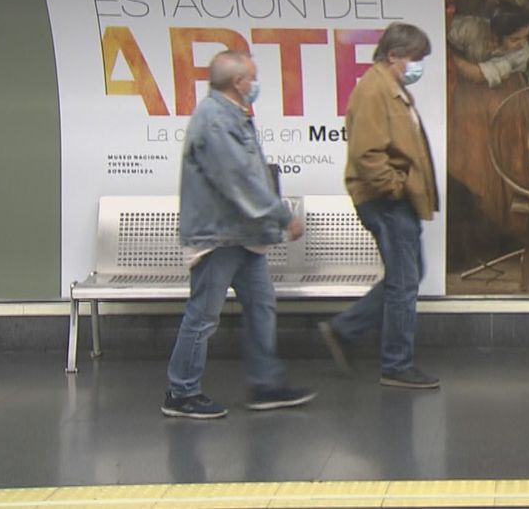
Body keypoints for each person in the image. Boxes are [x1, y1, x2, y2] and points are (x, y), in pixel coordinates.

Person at [163, 50, 313, 419]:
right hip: (220, 237)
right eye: (253, 78)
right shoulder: (216, 120)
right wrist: (283, 215)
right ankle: (181, 392)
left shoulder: (233, 115)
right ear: (238, 82)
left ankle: (266, 385)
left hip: (241, 235)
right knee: (203, 315)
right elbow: (239, 181)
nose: (256, 84)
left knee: (261, 304)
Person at [320, 23, 441, 389]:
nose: (419, 65)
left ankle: (345, 329)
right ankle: (396, 364)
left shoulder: (391, 88)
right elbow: (367, 154)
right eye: (415, 58)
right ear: (393, 55)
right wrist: (396, 188)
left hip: (394, 200)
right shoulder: (374, 91)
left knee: (408, 275)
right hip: (386, 202)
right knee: (405, 281)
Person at [446, 4, 529, 238]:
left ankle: (503, 225)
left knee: (507, 152)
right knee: (471, 154)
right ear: (496, 35)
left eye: (525, 37)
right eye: (515, 38)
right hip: (468, 99)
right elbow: (440, 30)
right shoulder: (471, 27)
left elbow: (476, 74)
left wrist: (449, 56)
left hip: (505, 98)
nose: (522, 43)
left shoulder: (522, 52)